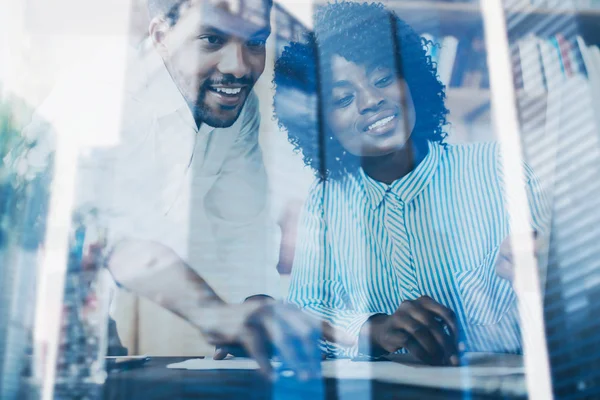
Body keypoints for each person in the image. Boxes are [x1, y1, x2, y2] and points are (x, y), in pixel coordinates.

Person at [19, 0, 353, 380]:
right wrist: (217, 315)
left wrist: (259, 306)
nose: (239, 66)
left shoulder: (234, 108)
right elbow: (113, 235)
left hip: (84, 323)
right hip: (18, 322)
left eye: (255, 42)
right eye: (211, 39)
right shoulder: (104, 95)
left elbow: (242, 224)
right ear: (162, 37)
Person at [274, 2, 549, 366]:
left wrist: (541, 276)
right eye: (343, 98)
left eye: (383, 78)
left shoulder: (498, 169)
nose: (371, 101)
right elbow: (306, 312)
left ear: (411, 80)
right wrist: (371, 329)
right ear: (320, 124)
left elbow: (568, 295)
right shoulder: (325, 202)